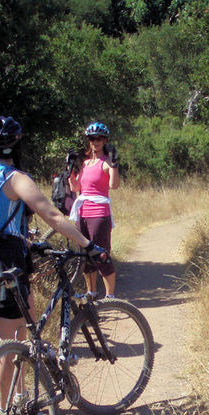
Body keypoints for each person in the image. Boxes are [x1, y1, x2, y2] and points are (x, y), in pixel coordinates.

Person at [0, 116, 106, 415]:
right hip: (4, 262)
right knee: (7, 339)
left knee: (27, 327)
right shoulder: (14, 178)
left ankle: (22, 397)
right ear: (15, 144)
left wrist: (28, 244)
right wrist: (86, 243)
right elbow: (53, 216)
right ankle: (8, 412)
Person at [68, 121, 120, 299]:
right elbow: (75, 187)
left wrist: (113, 165)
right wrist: (70, 168)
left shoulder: (105, 163)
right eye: (91, 138)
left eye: (99, 138)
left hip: (99, 214)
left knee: (101, 255)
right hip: (82, 213)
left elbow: (114, 185)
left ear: (105, 140)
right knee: (85, 256)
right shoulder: (85, 163)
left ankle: (110, 296)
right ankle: (91, 292)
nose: (95, 142)